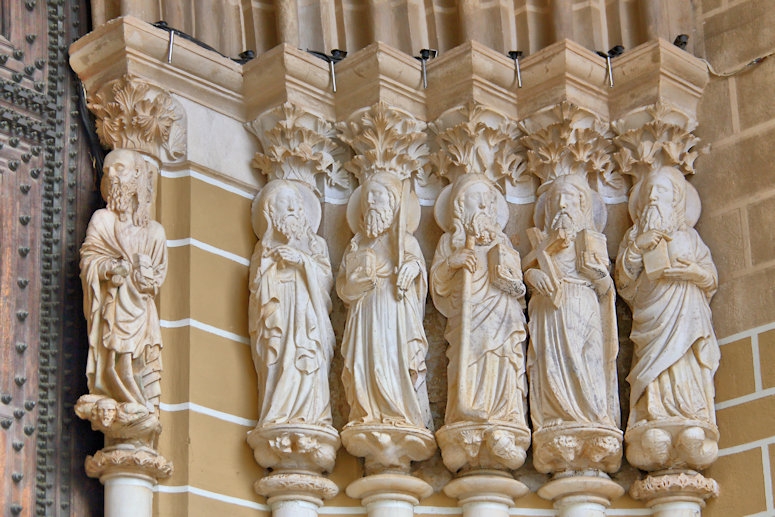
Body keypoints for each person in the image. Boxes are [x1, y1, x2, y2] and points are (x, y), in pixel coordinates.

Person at [615, 167, 718, 448]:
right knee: (653, 367)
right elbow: (623, 280)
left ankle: (689, 411)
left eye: (660, 191)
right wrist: (638, 247)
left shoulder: (690, 237)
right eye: (648, 191)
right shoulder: (635, 236)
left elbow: (710, 277)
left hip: (686, 314)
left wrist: (694, 274)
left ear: (675, 198)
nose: (652, 197)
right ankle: (653, 412)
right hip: (651, 315)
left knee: (684, 361)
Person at [525, 174, 620, 438]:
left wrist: (595, 273)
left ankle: (593, 415)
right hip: (549, 310)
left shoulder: (592, 240)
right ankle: (556, 417)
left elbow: (605, 288)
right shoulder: (541, 242)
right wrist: (533, 276)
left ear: (583, 205)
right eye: (557, 199)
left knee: (588, 361)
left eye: (571, 198)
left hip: (584, 305)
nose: (563, 205)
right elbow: (529, 271)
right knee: (550, 363)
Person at [336, 172, 432, 430]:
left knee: (391, 359)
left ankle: (398, 410)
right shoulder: (355, 246)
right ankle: (366, 411)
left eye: (378, 196)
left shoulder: (404, 242)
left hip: (393, 313)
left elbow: (418, 271)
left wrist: (412, 270)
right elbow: (343, 288)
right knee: (362, 362)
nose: (372, 201)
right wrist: (354, 286)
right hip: (363, 315)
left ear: (393, 204)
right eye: (368, 196)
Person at [430, 175, 528, 425]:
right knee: (470, 355)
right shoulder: (449, 242)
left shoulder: (502, 241)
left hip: (503, 315)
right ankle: (465, 410)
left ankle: (506, 412)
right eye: (476, 198)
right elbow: (437, 286)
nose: (484, 205)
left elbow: (517, 285)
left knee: (503, 358)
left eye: (489, 200)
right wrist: (453, 262)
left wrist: (509, 277)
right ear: (460, 206)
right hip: (468, 316)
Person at [80, 148, 167, 415]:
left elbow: (157, 276)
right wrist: (109, 268)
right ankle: (125, 403)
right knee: (113, 366)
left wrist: (147, 278)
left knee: (136, 366)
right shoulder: (103, 220)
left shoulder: (154, 232)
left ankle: (141, 408)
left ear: (138, 176)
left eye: (119, 169)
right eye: (107, 171)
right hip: (114, 306)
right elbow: (89, 259)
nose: (112, 176)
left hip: (140, 313)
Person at [248, 180, 335, 426]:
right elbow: (256, 291)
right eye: (285, 206)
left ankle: (311, 413)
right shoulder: (263, 248)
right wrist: (271, 267)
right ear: (271, 214)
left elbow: (326, 280)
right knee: (280, 360)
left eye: (297, 205)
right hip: (280, 317)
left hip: (307, 318)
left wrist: (301, 261)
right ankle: (277, 413)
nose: (294, 210)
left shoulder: (315, 245)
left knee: (306, 359)